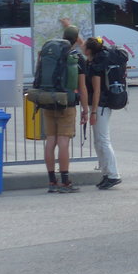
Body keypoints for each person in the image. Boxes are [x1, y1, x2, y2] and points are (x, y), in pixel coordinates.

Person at [42, 22, 89, 193]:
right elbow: (82, 87)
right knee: (63, 141)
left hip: (47, 101)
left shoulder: (49, 52)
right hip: (66, 103)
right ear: (76, 39)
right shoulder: (76, 57)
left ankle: (52, 182)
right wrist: (85, 109)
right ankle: (65, 182)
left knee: (50, 141)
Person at [83, 36, 122, 189]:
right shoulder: (98, 60)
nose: (82, 47)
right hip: (102, 106)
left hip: (100, 106)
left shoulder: (96, 66)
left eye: (84, 46)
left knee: (103, 140)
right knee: (98, 141)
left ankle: (113, 174)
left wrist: (93, 112)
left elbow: (97, 91)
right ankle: (106, 174)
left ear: (89, 50)